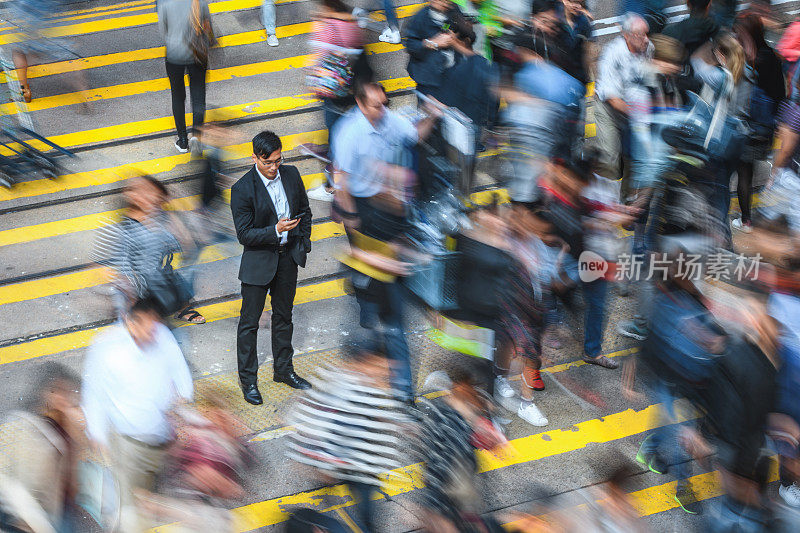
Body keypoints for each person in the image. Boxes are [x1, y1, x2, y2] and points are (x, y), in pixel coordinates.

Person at [332, 80, 438, 399]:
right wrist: (353, 222)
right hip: (363, 213)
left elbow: (414, 135)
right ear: (361, 104)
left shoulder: (391, 121)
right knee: (385, 300)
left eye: (385, 104)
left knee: (381, 289)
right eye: (376, 106)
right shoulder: (349, 133)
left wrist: (432, 116)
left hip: (388, 214)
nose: (383, 111)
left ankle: (371, 310)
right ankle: (401, 386)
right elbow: (342, 184)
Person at [82, 298, 194, 533]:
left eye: (155, 326)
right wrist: (97, 434)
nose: (153, 334)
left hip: (164, 438)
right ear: (131, 323)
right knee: (131, 509)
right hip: (129, 444)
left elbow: (179, 370)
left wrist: (183, 404)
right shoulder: (106, 346)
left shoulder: (162, 334)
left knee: (155, 499)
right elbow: (94, 393)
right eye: (147, 327)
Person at [287, 342, 409, 532]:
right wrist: (327, 466)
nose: (385, 373)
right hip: (348, 465)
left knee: (362, 502)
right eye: (378, 366)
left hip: (353, 464)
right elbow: (335, 428)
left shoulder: (366, 384)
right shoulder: (346, 390)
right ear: (363, 363)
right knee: (364, 506)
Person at [230, 130, 313, 404]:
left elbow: (305, 210)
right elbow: (244, 234)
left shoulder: (292, 174)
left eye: (278, 161)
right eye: (268, 163)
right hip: (258, 262)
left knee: (284, 317)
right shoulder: (242, 189)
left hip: (288, 259)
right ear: (254, 157)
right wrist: (275, 230)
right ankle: (249, 381)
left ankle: (284, 370)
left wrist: (304, 241)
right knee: (249, 324)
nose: (274, 168)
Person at [93, 175, 206, 324]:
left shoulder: (158, 220)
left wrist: (173, 216)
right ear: (130, 195)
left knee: (179, 273)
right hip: (133, 287)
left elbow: (186, 246)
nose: (148, 197)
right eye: (142, 192)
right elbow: (119, 267)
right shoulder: (121, 227)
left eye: (152, 193)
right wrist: (129, 299)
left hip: (158, 282)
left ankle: (180, 306)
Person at [0, 364, 83, 533]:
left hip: (60, 510)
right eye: (59, 392)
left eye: (68, 394)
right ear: (45, 394)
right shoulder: (23, 429)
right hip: (34, 520)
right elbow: (15, 489)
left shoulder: (65, 423)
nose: (66, 399)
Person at [731, 13, 786, 233]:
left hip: (746, 127)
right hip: (766, 126)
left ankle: (746, 221)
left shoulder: (744, 61)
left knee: (744, 173)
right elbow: (780, 94)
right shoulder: (772, 56)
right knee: (749, 172)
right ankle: (752, 219)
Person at [593, 12, 653, 191]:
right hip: (609, 110)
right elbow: (612, 97)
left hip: (631, 111)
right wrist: (638, 114)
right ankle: (605, 200)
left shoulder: (649, 48)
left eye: (647, 33)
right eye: (640, 35)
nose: (646, 40)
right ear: (626, 36)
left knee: (633, 159)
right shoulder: (612, 54)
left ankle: (626, 202)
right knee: (610, 159)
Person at [158, 0, 213, 153]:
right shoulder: (199, 2)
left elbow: (163, 30)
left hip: (174, 54)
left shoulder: (165, 4)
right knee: (198, 96)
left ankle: (183, 141)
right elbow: (207, 24)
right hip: (197, 53)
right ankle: (196, 137)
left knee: (177, 96)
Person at [403, 0, 467, 97]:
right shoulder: (420, 18)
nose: (445, 4)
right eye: (441, 1)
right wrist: (433, 43)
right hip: (428, 80)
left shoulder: (454, 10)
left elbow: (463, 32)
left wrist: (455, 37)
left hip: (452, 74)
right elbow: (411, 45)